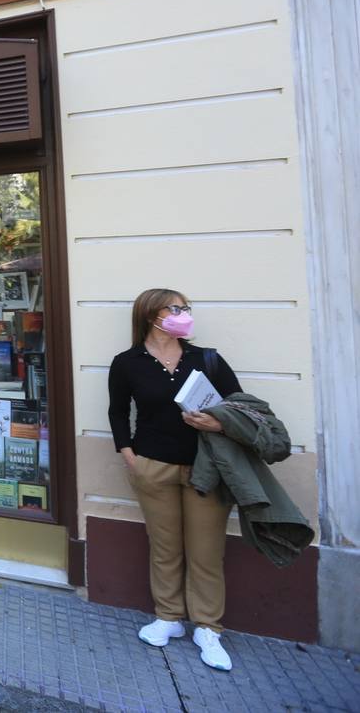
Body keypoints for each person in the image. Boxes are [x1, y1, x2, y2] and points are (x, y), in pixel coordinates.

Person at [108, 288, 242, 672]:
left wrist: (216, 422)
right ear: (152, 315)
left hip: (206, 467)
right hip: (153, 467)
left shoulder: (205, 358)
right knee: (164, 547)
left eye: (185, 308)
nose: (183, 314)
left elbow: (240, 404)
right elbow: (118, 413)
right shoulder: (127, 362)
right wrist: (130, 457)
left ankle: (208, 628)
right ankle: (168, 617)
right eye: (176, 308)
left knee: (206, 551)